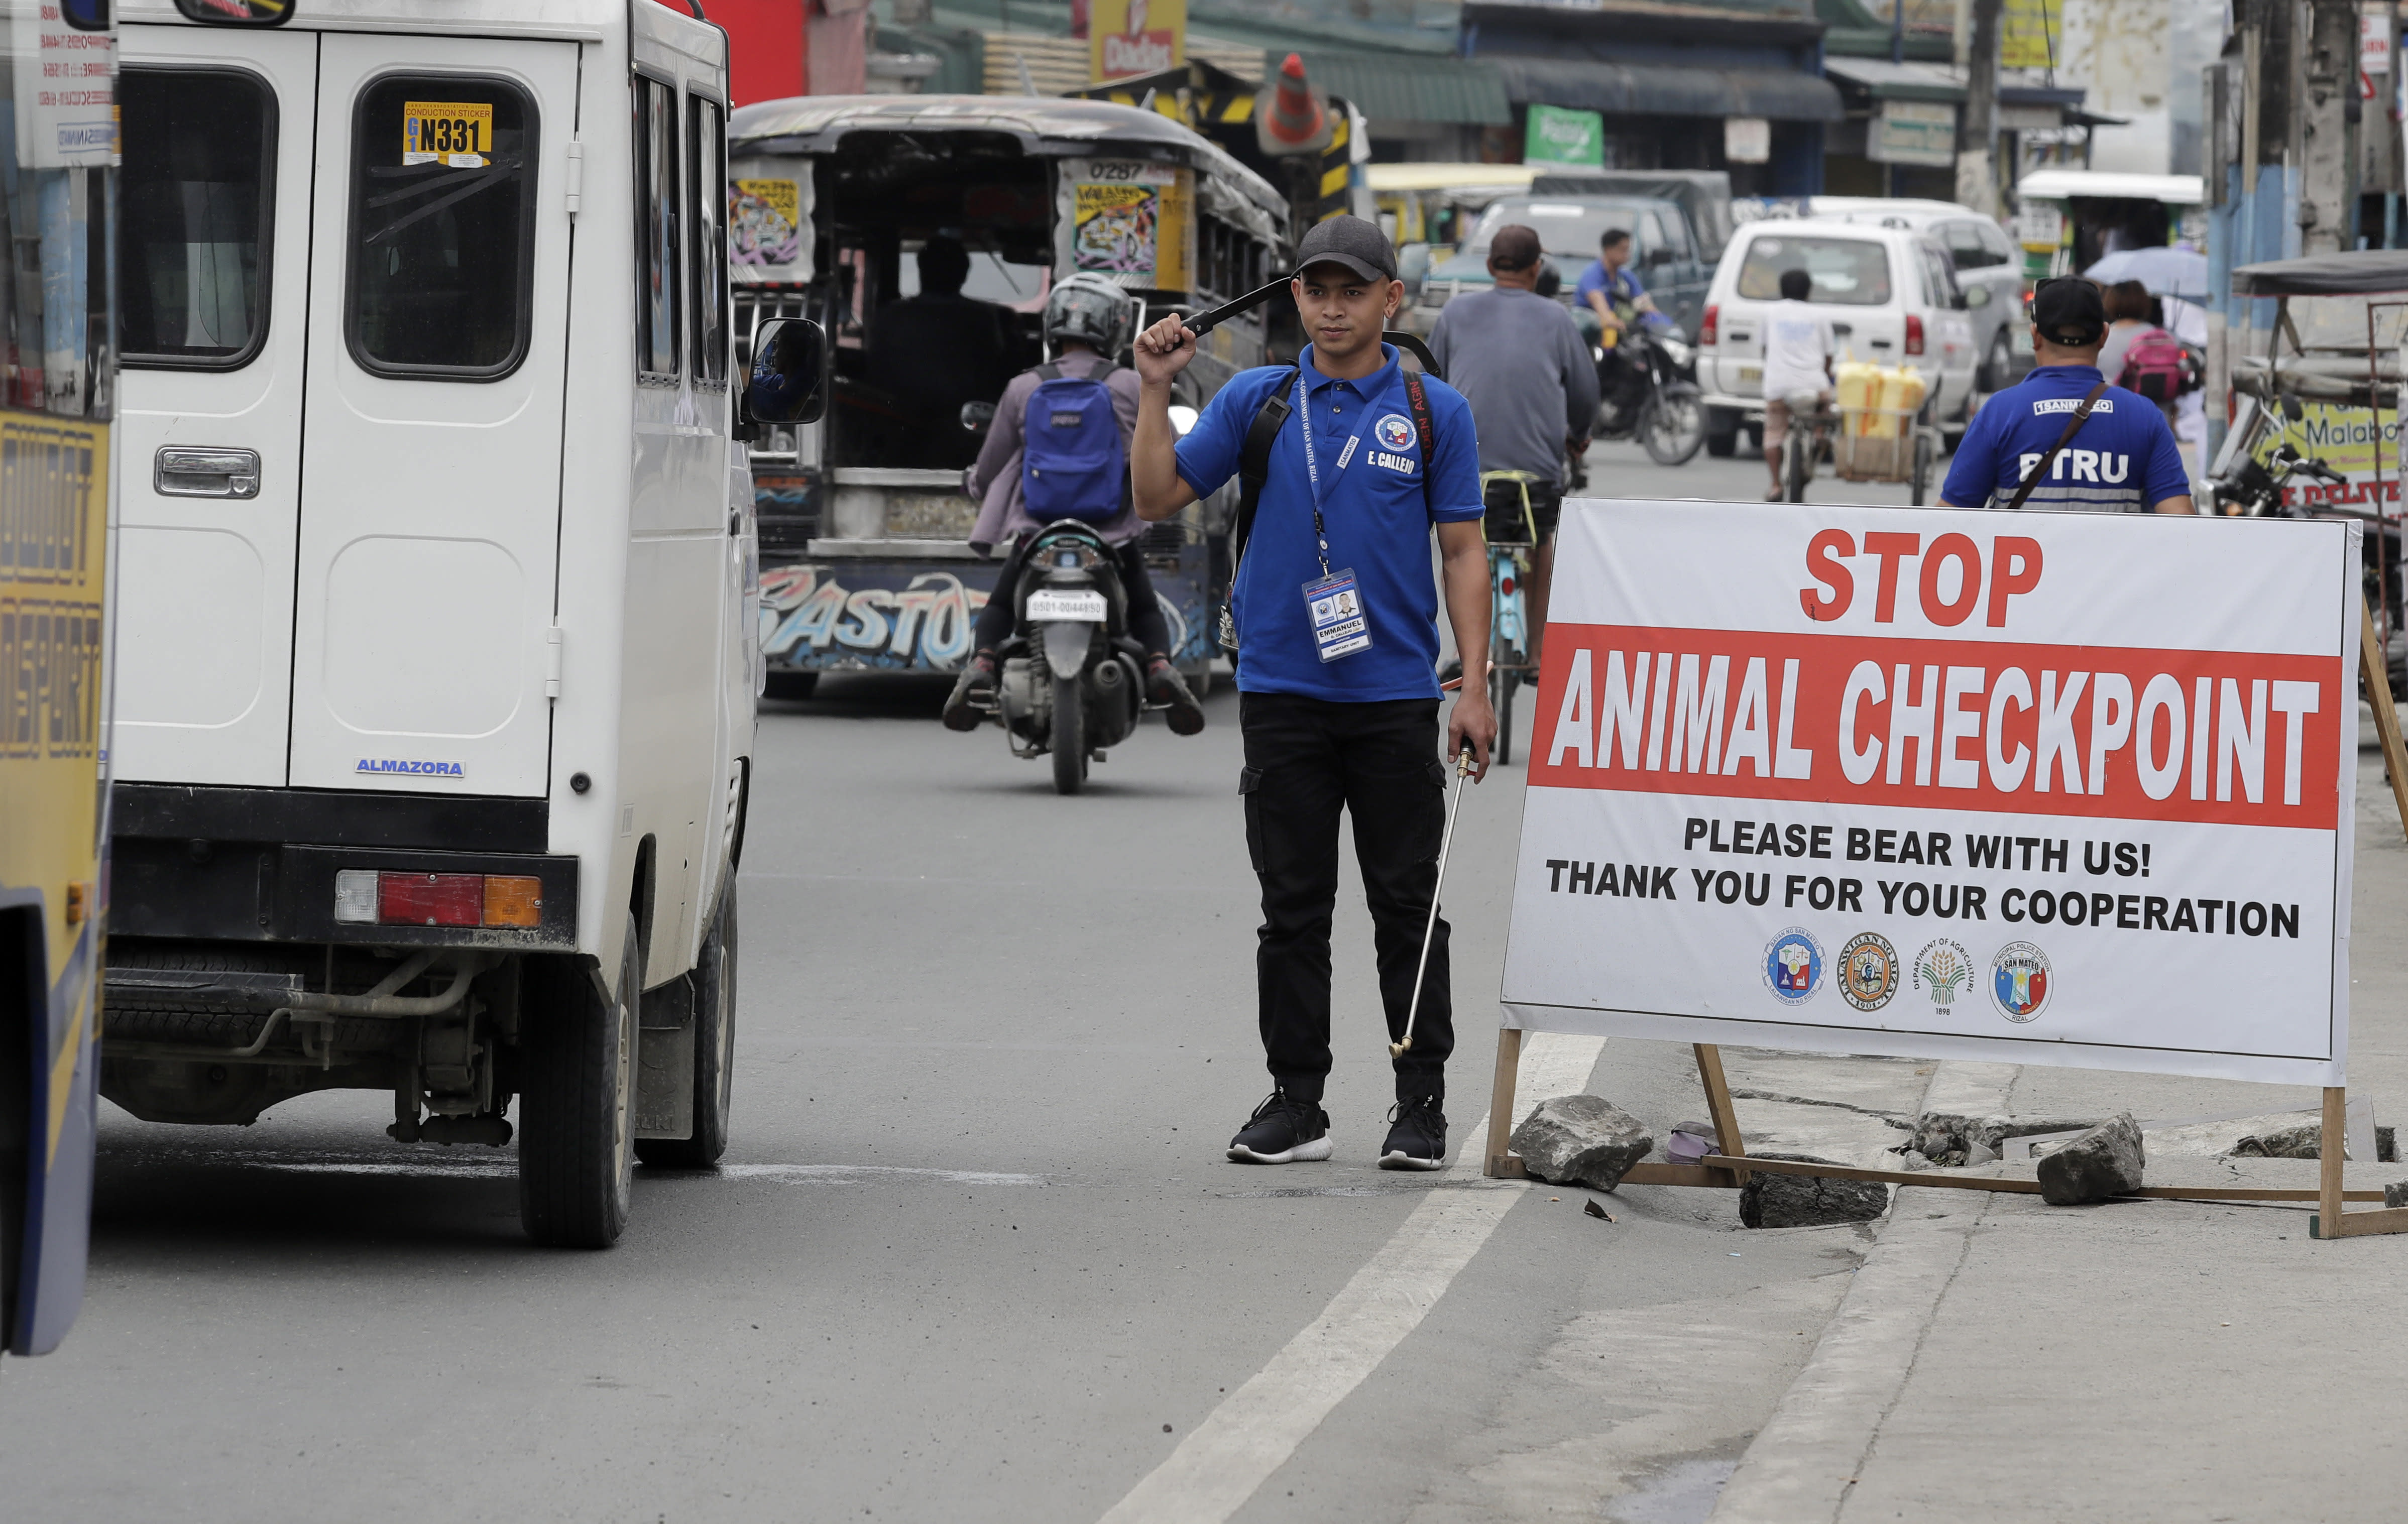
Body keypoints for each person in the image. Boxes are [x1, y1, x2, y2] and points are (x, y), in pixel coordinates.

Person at [1128, 215, 1495, 1171]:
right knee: (1292, 907)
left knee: (1408, 908)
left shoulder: (1431, 411)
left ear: (1389, 299)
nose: (1333, 308)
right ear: (1295, 297)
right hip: (1282, 691)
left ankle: (1420, 1104)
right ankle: (1299, 1101)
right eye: (1317, 290)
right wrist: (1156, 389)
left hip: (1393, 699)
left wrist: (1475, 685)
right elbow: (1159, 497)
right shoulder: (1257, 401)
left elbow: (1464, 552)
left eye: (1353, 290)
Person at [942, 272, 1205, 735]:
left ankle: (982, 664)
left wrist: (976, 486)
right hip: (1110, 533)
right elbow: (1167, 450)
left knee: (1002, 603)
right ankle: (1161, 666)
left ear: (1052, 326)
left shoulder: (1023, 387)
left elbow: (990, 464)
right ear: (1116, 327)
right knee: (1144, 606)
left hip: (1037, 532)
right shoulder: (1129, 384)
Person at [1429, 222, 1597, 670]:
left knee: (1458, 546)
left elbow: (1430, 386)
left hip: (1467, 472)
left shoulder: (1454, 314)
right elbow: (1584, 394)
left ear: (1489, 266)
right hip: (1537, 474)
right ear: (1536, 268)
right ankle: (1538, 653)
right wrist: (1577, 438)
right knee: (1540, 541)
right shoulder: (1558, 319)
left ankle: (1462, 651)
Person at [1938, 276, 2194, 514]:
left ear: (2035, 337)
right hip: (2113, 563)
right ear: (2104, 336)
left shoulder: (2000, 412)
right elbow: (2181, 521)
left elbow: (1947, 520)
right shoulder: (2145, 417)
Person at [865, 235, 1014, 467]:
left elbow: (875, 365)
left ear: (921, 271)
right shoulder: (981, 318)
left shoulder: (890, 316)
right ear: (963, 275)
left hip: (893, 422)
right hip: (963, 429)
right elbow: (996, 367)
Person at [1758, 267, 1835, 501]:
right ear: (1808, 292)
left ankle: (1775, 485)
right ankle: (1820, 433)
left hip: (1778, 386)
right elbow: (1829, 355)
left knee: (1773, 434)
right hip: (1812, 384)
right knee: (1825, 405)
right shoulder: (1819, 315)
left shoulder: (1770, 313)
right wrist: (1823, 373)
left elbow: (1764, 349)